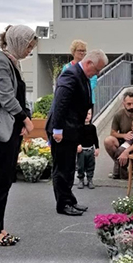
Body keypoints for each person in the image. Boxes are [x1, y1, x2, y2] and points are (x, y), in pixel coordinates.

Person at [0, 25, 36, 246]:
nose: (29, 51)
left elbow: (19, 95)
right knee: (0, 180)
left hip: (12, 129)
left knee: (5, 180)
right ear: (17, 42)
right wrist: (25, 119)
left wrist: (23, 119)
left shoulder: (13, 62)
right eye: (28, 46)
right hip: (3, 131)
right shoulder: (1, 63)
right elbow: (6, 97)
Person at [46, 49, 108, 216]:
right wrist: (57, 130)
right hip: (62, 130)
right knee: (62, 168)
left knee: (69, 168)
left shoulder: (82, 75)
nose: (97, 73)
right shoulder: (70, 75)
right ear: (89, 63)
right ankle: (63, 204)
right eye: (96, 69)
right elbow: (60, 103)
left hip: (72, 129)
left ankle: (70, 200)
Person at [104, 91, 133, 179]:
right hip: (124, 142)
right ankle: (121, 166)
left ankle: (130, 166)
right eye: (129, 104)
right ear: (123, 103)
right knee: (108, 141)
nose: (132, 106)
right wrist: (124, 135)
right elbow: (113, 133)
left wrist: (127, 151)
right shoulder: (118, 115)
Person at [61, 40, 98, 106]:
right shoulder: (67, 67)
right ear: (74, 52)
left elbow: (93, 80)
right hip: (71, 101)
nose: (82, 53)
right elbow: (64, 82)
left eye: (84, 51)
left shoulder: (89, 65)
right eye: (80, 50)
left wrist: (82, 90)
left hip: (87, 100)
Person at [76, 108, 99, 190]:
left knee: (91, 165)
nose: (87, 116)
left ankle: (90, 179)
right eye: (85, 114)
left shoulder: (93, 127)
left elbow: (95, 138)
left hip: (90, 150)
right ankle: (81, 179)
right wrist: (77, 145)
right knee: (80, 166)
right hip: (81, 150)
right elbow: (76, 138)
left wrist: (97, 148)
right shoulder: (78, 127)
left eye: (89, 114)